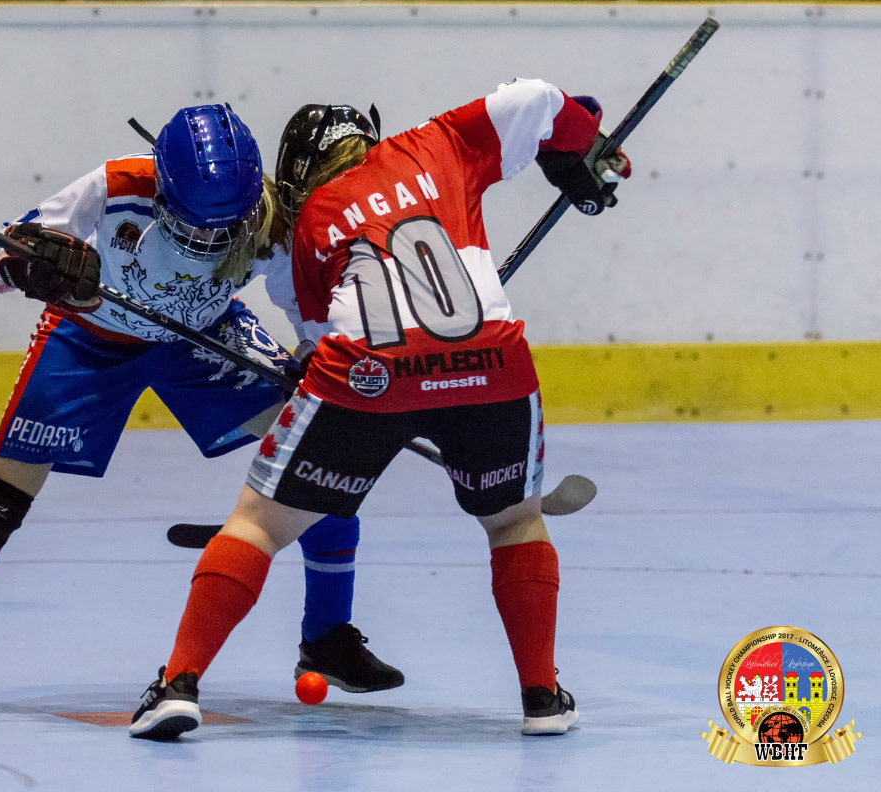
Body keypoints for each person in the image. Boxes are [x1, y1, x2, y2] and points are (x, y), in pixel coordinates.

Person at [128, 81, 632, 740]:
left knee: (257, 525)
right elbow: (539, 98)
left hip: (368, 374)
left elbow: (320, 344)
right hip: (491, 365)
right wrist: (578, 144)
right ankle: (542, 697)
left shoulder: (313, 222)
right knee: (513, 522)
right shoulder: (437, 143)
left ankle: (177, 686)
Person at [0, 104, 403, 707]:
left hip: (203, 335)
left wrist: (313, 354)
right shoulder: (116, 184)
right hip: (89, 337)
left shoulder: (270, 219)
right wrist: (26, 270)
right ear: (162, 187)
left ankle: (327, 637)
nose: (206, 244)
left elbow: (309, 315)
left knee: (321, 459)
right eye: (193, 227)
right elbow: (3, 261)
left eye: (222, 231)